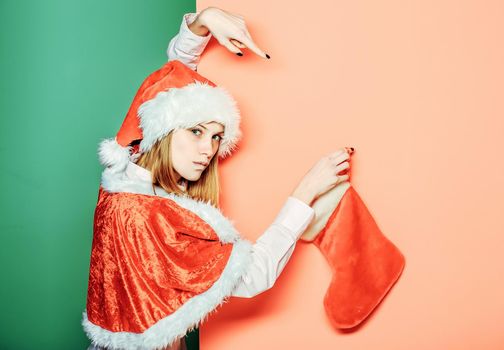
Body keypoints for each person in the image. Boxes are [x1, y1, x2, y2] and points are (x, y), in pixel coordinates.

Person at [83, 7, 353, 350]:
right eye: (196, 131)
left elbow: (170, 87)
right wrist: (306, 192)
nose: (208, 149)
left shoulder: (124, 175)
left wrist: (202, 22)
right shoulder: (152, 217)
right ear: (162, 132)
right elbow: (254, 274)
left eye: (215, 136)